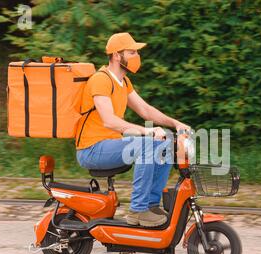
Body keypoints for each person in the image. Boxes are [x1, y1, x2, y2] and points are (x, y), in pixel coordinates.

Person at [75, 32, 191, 227]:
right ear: (116, 56)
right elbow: (109, 121)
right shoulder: (101, 80)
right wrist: (147, 131)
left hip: (110, 145)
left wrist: (175, 123)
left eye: (136, 52)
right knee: (147, 145)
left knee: (166, 141)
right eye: (132, 52)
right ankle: (137, 210)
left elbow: (145, 110)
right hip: (91, 149)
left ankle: (151, 205)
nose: (136, 57)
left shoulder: (124, 82)